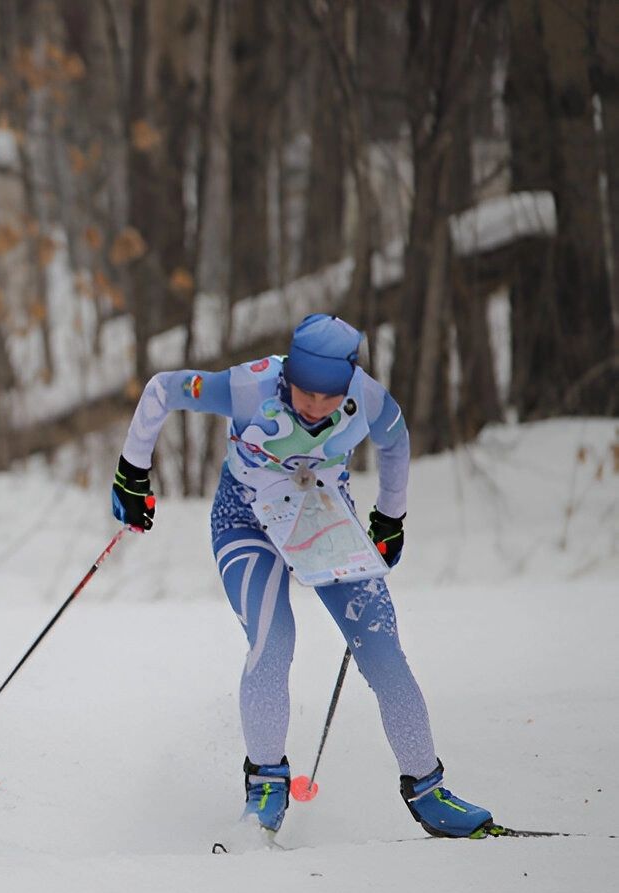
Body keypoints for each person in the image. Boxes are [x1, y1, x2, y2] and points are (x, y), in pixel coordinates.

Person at [110, 313, 494, 837]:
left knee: (385, 657)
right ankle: (266, 788)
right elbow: (163, 389)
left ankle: (429, 792)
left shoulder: (368, 398)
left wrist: (390, 518)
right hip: (245, 522)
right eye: (304, 392)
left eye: (327, 397)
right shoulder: (248, 387)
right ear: (288, 373)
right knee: (273, 642)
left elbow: (396, 442)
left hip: (324, 524)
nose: (314, 406)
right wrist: (131, 473)